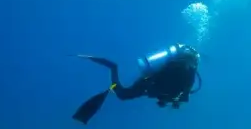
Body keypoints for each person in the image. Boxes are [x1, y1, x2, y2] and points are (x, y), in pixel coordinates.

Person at [71, 43, 201, 124]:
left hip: (149, 84)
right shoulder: (190, 73)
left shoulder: (180, 66)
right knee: (122, 95)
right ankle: (112, 67)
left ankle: (112, 69)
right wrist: (171, 101)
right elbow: (184, 95)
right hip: (151, 86)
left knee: (123, 95)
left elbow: (177, 90)